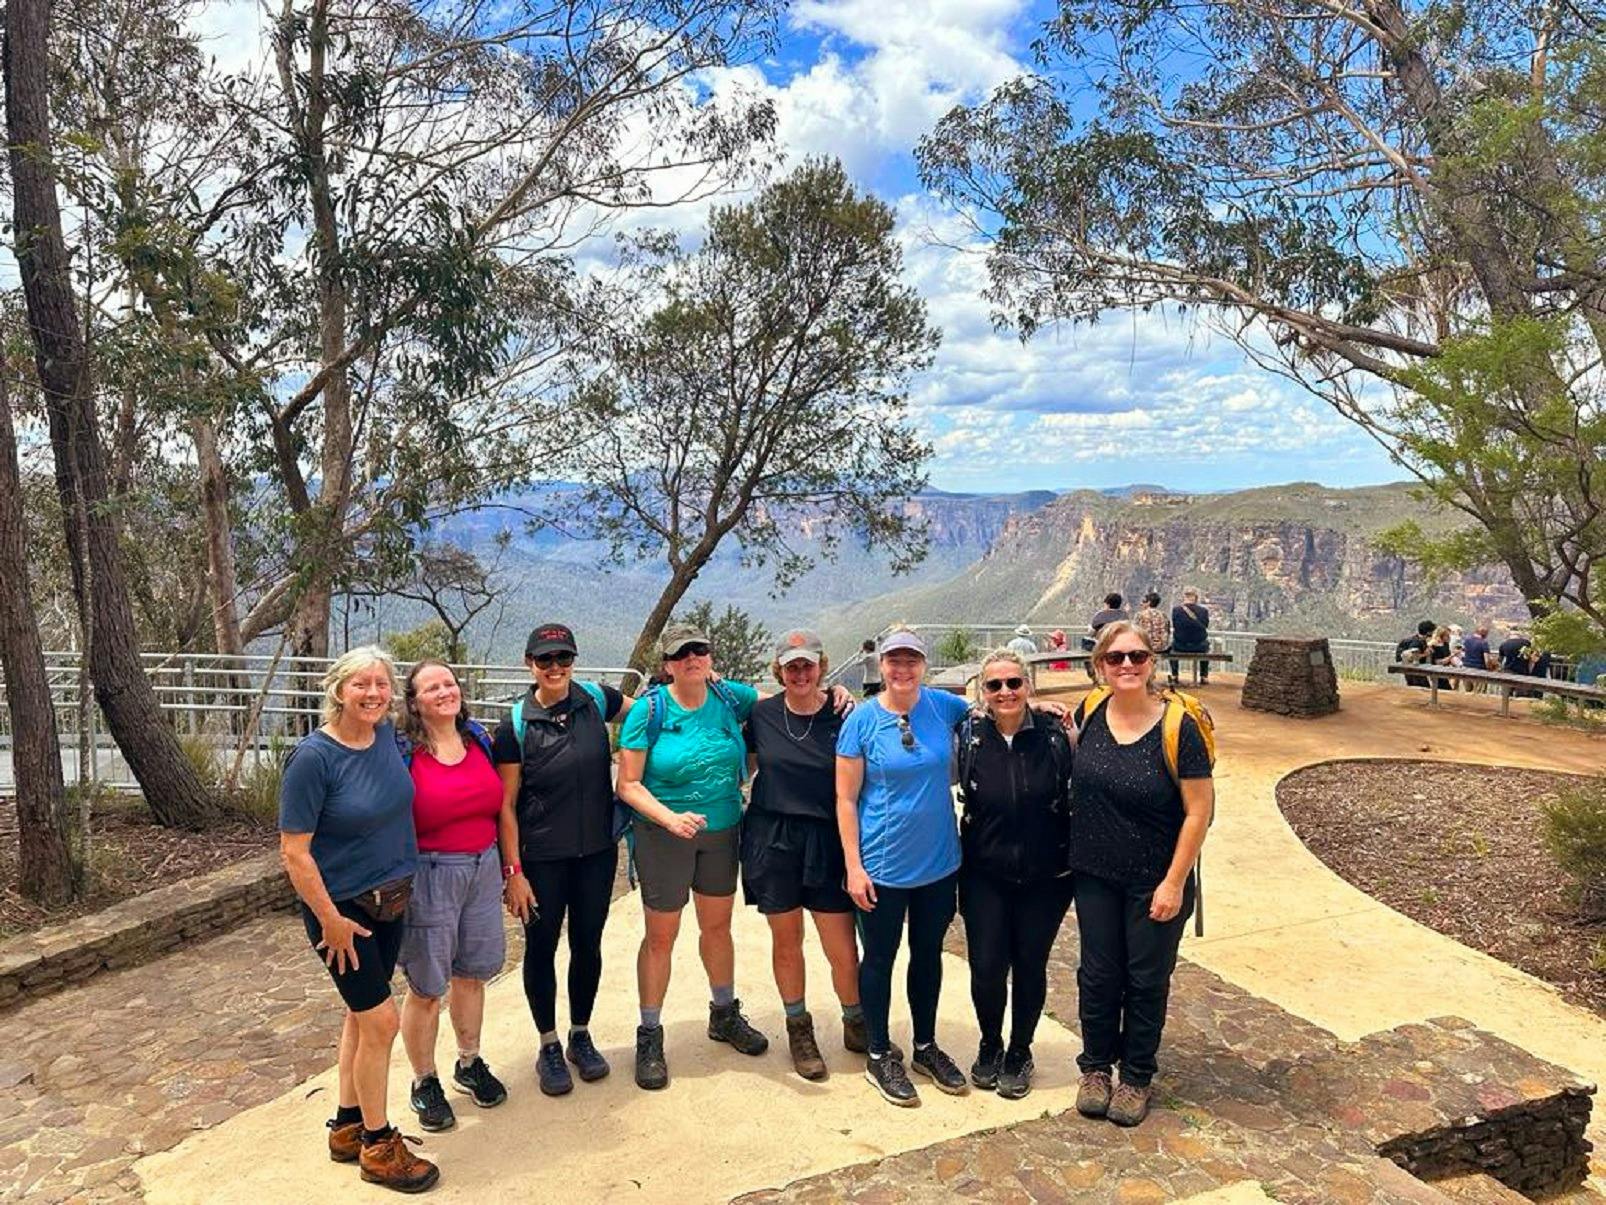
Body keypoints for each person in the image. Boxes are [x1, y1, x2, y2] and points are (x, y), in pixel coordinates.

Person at [278, 647, 439, 1193]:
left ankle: (347, 1125)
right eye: (361, 685)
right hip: (343, 914)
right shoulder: (314, 759)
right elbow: (294, 852)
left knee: (359, 1016)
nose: (372, 693)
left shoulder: (386, 741)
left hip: (390, 900)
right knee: (382, 1024)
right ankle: (377, 1144)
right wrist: (329, 919)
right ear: (338, 690)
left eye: (381, 684)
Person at [1068, 622, 1214, 1128]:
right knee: (1098, 976)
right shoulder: (1089, 713)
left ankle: (1135, 1076)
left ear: (1152, 662)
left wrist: (1174, 881)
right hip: (1094, 874)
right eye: (1115, 658)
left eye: (1137, 656)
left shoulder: (1179, 727)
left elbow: (1198, 812)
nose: (1127, 665)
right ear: (1100, 665)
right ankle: (1095, 1068)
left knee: (1146, 979)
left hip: (1155, 878)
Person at [616, 622, 769, 1090]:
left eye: (699, 651)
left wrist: (838, 696)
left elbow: (783, 702)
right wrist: (668, 819)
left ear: (710, 657)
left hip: (722, 831)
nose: (692, 659)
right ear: (667, 665)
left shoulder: (730, 698)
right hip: (665, 836)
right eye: (682, 654)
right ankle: (649, 1032)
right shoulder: (649, 711)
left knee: (717, 927)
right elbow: (628, 783)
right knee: (661, 936)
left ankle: (723, 1013)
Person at [493, 623, 634, 1097]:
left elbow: (654, 717)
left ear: (574, 660)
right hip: (542, 860)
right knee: (541, 949)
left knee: (588, 945)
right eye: (545, 660)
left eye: (563, 659)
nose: (555, 668)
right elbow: (506, 805)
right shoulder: (515, 724)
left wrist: (711, 689)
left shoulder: (596, 699)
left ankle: (579, 1033)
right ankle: (548, 1043)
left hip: (596, 852)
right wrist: (513, 872)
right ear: (528, 663)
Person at [836, 627, 972, 1107]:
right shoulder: (862, 721)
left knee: (928, 953)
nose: (903, 668)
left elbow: (996, 708)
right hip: (882, 864)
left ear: (923, 665)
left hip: (938, 862)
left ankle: (924, 1046)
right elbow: (846, 799)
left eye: (911, 660)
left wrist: (1044, 707)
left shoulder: (943, 707)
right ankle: (877, 1052)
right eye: (894, 660)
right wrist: (853, 866)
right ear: (882, 667)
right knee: (878, 957)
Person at [742, 629, 867, 1080]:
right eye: (791, 666)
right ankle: (798, 1027)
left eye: (807, 665)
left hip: (827, 838)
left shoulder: (843, 713)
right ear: (779, 670)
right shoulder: (760, 714)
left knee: (841, 945)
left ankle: (855, 1019)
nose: (799, 673)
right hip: (773, 835)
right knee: (787, 940)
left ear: (821, 667)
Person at [396, 660, 508, 1133]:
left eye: (449, 683)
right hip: (431, 873)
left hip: (482, 866)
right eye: (431, 687)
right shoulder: (403, 752)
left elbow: (503, 805)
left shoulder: (479, 738)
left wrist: (510, 869)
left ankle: (469, 1061)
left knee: (473, 974)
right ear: (415, 702)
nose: (444, 692)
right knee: (426, 986)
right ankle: (424, 1080)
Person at [955, 650, 1073, 1100]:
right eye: (994, 685)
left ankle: (1020, 1050)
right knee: (986, 966)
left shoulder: (1057, 735)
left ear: (1029, 686)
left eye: (1013, 683)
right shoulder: (969, 736)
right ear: (982, 693)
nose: (1005, 692)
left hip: (1046, 875)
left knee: (1029, 965)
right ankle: (990, 1043)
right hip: (984, 872)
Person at [1169, 588, 1211, 686]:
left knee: (1172, 649)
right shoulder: (1203, 611)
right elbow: (1206, 625)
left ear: (1184, 596)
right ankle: (1204, 676)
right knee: (1206, 647)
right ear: (1196, 597)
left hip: (1180, 646)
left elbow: (1175, 625)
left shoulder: (1176, 610)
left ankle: (1175, 675)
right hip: (1199, 646)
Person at [1395, 619, 1436, 689]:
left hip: (1414, 668)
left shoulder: (1420, 640)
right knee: (1422, 689)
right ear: (1428, 632)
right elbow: (1411, 656)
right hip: (1413, 669)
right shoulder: (1416, 642)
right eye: (1432, 631)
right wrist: (1425, 654)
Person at [1135, 593, 1171, 663]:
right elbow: (1167, 631)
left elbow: (1135, 631)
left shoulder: (1140, 615)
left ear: (1148, 602)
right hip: (1162, 647)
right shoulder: (1164, 615)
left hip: (1145, 646)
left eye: (1143, 601)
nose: (1141, 604)